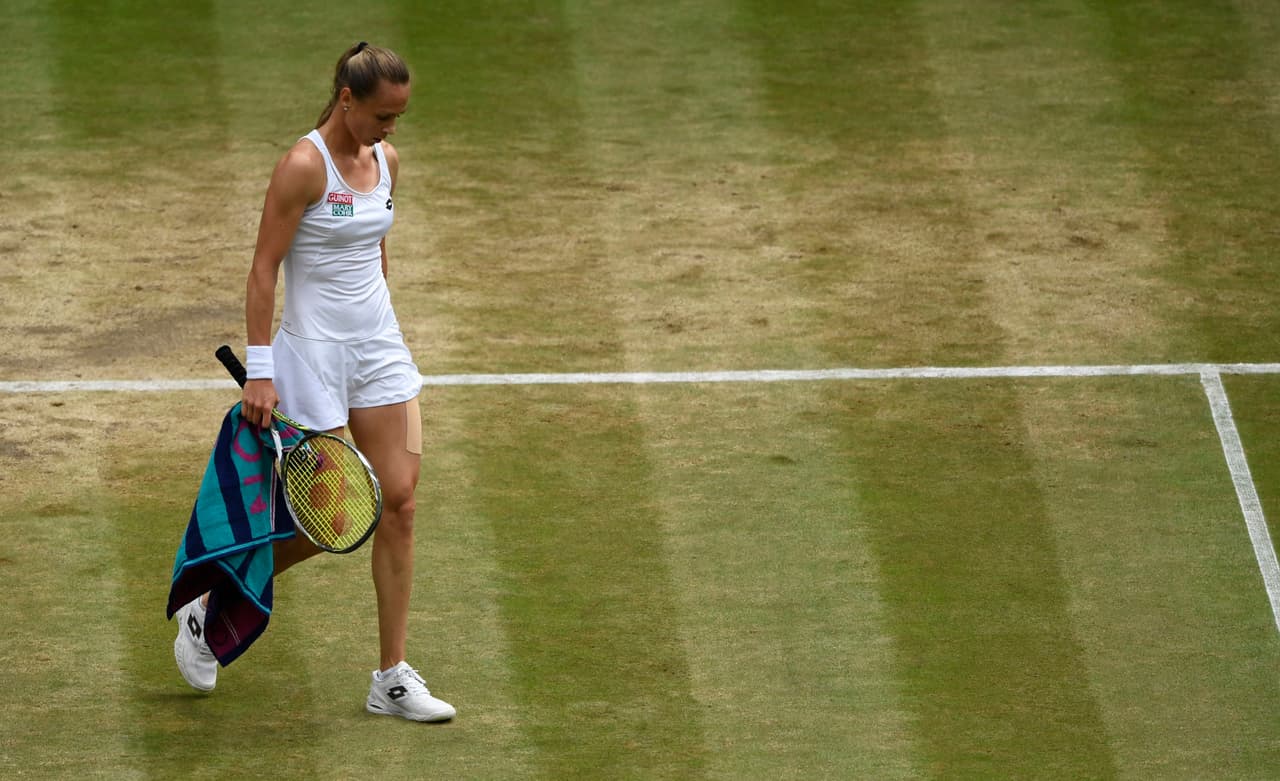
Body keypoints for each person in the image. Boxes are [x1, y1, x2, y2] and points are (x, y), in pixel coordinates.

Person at [172, 41, 454, 723]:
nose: (392, 130)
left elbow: (373, 246)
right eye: (384, 115)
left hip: (379, 350)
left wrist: (377, 323)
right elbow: (265, 267)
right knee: (323, 514)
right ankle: (210, 610)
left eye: (400, 118)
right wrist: (261, 371)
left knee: (400, 501)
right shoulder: (303, 166)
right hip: (310, 356)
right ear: (347, 100)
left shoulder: (387, 160)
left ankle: (390, 676)